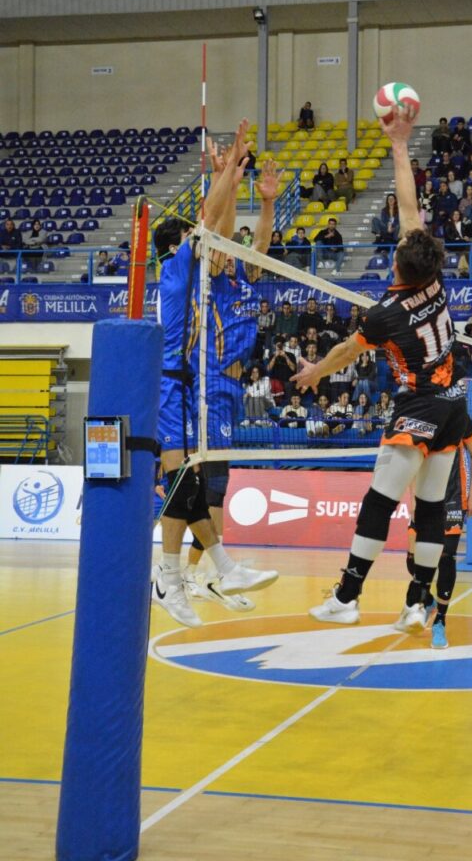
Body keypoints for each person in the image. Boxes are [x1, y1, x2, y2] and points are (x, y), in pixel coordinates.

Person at [294, 103, 472, 633]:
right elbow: (412, 210)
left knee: (379, 501)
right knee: (432, 509)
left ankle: (348, 595)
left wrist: (312, 374)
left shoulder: (388, 313)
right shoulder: (436, 280)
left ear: (396, 262)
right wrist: (400, 146)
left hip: (418, 405)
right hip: (452, 405)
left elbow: (349, 350)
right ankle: (417, 604)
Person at [152, 120, 278, 628]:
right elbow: (211, 224)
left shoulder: (210, 274)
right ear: (178, 245)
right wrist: (226, 172)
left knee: (194, 485)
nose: (203, 242)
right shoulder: (177, 269)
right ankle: (179, 574)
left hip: (202, 389)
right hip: (180, 383)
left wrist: (241, 181)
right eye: (192, 237)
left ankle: (198, 572)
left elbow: (225, 234)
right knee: (185, 480)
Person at [406, 428, 472, 648]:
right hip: (425, 493)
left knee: (446, 556)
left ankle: (440, 621)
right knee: (413, 562)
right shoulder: (422, 415)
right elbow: (412, 460)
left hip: (453, 496)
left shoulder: (459, 418)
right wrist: (413, 500)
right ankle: (429, 601)